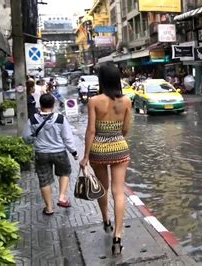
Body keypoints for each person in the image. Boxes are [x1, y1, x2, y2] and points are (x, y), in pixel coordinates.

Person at [79, 62, 132, 256]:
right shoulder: (126, 101)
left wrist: (85, 156)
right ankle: (118, 237)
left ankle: (106, 220)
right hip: (119, 148)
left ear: (101, 80)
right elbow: (126, 129)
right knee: (119, 192)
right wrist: (117, 138)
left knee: (103, 188)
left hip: (98, 151)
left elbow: (91, 130)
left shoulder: (94, 101)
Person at [22, 94, 78, 215]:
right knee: (65, 173)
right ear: (53, 105)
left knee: (44, 180)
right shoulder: (60, 118)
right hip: (59, 152)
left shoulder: (32, 119)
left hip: (41, 154)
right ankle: (62, 197)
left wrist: (34, 138)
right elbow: (67, 138)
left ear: (40, 105)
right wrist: (74, 152)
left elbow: (26, 138)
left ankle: (49, 208)